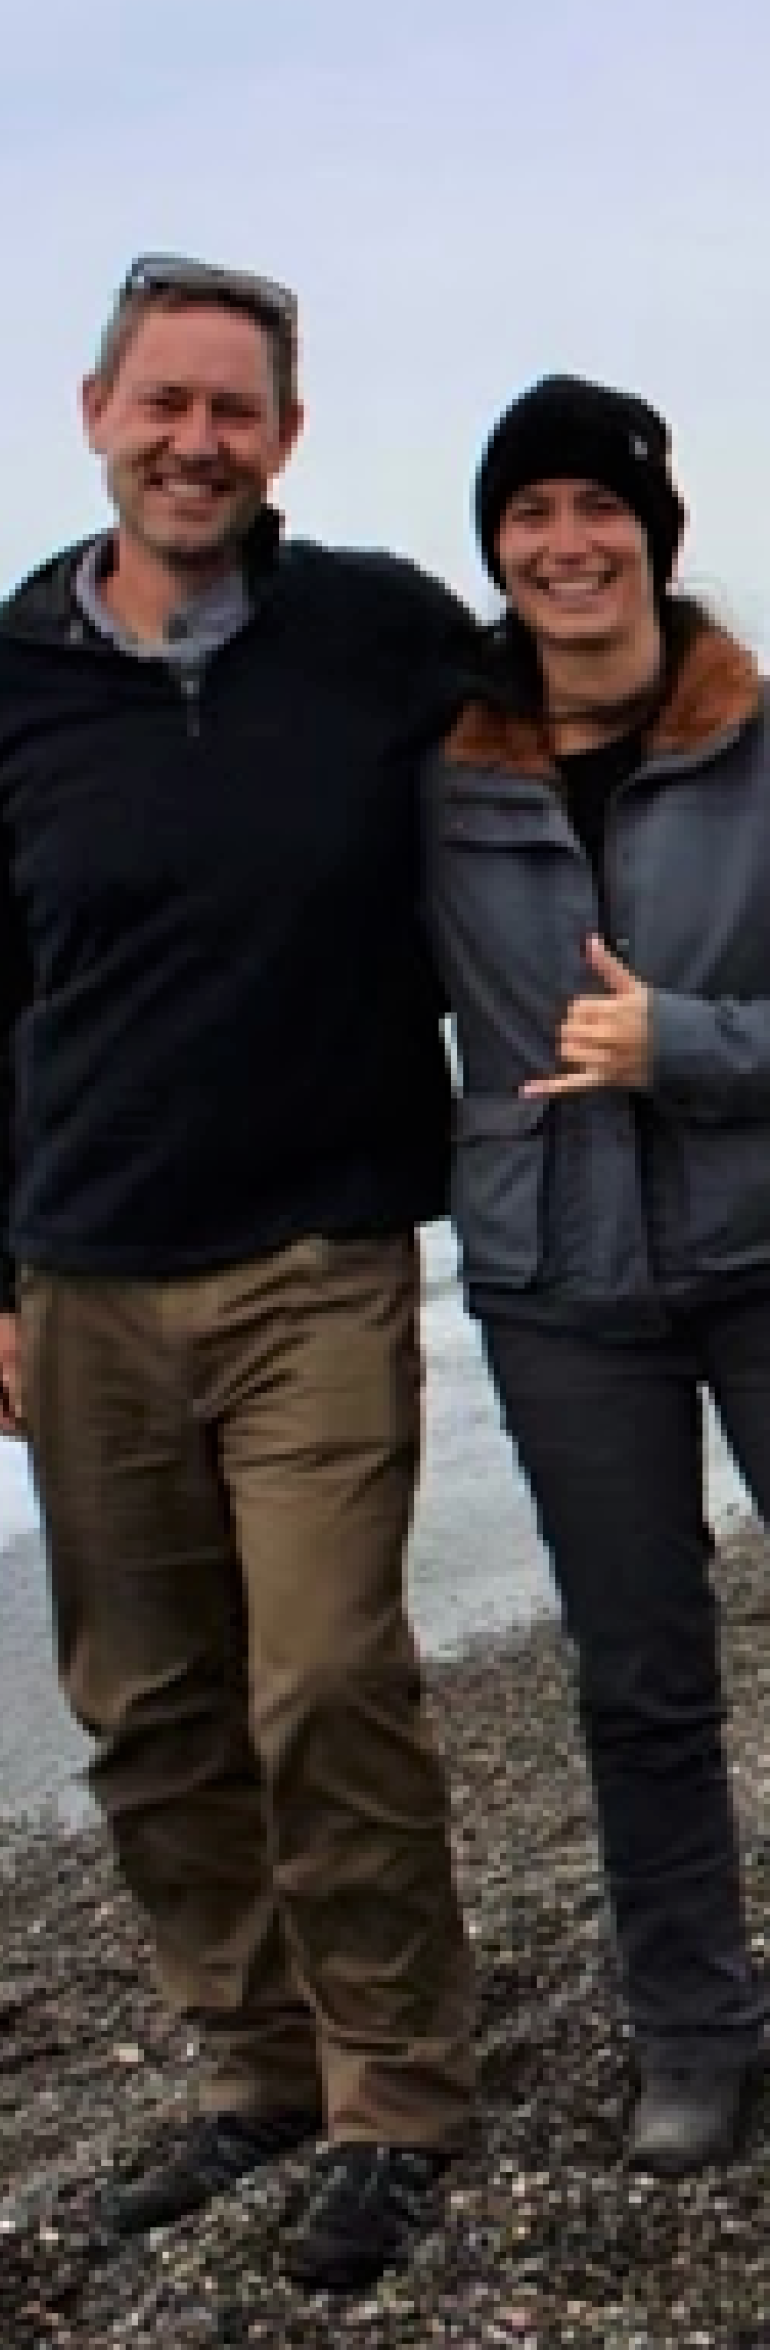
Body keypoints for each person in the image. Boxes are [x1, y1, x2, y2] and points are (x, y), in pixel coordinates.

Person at [0, 253, 477, 2294]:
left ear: (286, 439)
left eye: (235, 408)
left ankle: (398, 2094)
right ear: (96, 413)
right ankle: (256, 2068)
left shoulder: (378, 634)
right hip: (83, 1278)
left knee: (325, 1675)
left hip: (319, 1255)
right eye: (165, 401)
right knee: (149, 1705)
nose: (197, 438)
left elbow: (582, 708)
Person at [425, 373, 770, 2176]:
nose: (565, 546)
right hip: (555, 1281)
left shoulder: (756, 742)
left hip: (762, 1241)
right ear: (493, 551)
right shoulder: (443, 772)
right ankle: (694, 2033)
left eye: (595, 510)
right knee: (636, 1677)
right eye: (528, 517)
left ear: (654, 532)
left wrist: (688, 1041)